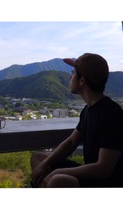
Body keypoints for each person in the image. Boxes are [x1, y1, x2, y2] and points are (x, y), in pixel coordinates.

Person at [30, 53, 123, 187]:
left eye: (73, 73)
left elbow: (104, 169)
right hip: (92, 174)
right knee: (38, 158)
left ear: (82, 80)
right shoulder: (88, 110)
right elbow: (71, 142)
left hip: (105, 182)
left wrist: (58, 171)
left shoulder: (112, 114)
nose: (69, 77)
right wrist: (46, 163)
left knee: (58, 180)